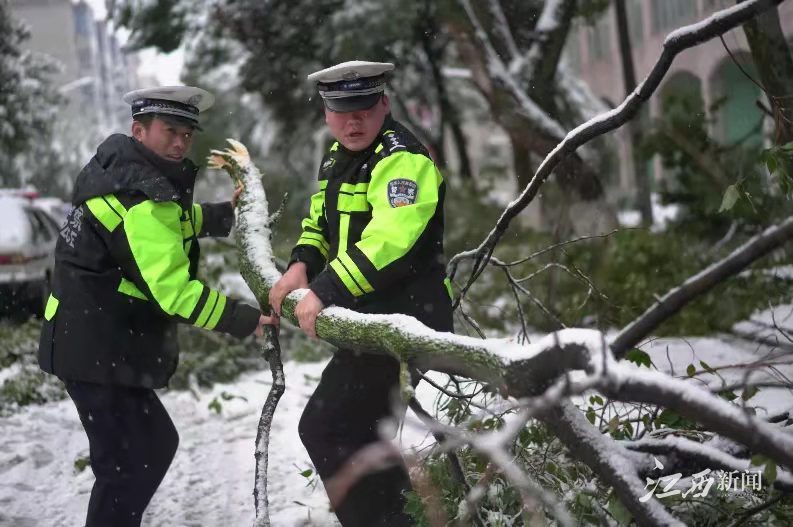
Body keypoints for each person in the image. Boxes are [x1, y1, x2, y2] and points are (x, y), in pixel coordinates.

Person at [37, 86, 275, 527]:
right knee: (128, 465)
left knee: (143, 453)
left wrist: (223, 214)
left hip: (92, 342)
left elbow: (165, 227)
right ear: (139, 130)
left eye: (188, 133)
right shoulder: (142, 196)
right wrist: (243, 318)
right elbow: (174, 290)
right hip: (95, 351)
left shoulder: (123, 173)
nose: (181, 142)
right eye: (170, 131)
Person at [269, 61, 453, 527]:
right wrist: (300, 266)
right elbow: (320, 220)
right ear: (327, 113)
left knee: (326, 428)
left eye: (364, 109)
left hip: (406, 317)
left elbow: (389, 242)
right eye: (341, 110)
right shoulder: (336, 156)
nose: (353, 122)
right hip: (371, 313)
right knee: (362, 437)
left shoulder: (402, 157)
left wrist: (325, 289)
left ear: (384, 104)